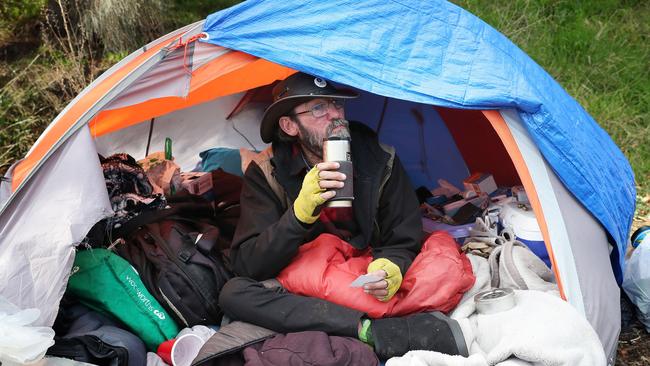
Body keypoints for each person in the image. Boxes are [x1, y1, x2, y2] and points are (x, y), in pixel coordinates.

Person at [218, 72, 468, 359]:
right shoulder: (266, 172)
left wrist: (391, 267)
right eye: (319, 109)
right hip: (305, 280)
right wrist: (298, 216)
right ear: (289, 125)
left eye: (337, 104)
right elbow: (249, 263)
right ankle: (369, 331)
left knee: (441, 263)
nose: (336, 115)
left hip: (363, 272)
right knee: (233, 293)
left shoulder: (379, 157)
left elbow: (403, 235)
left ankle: (350, 321)